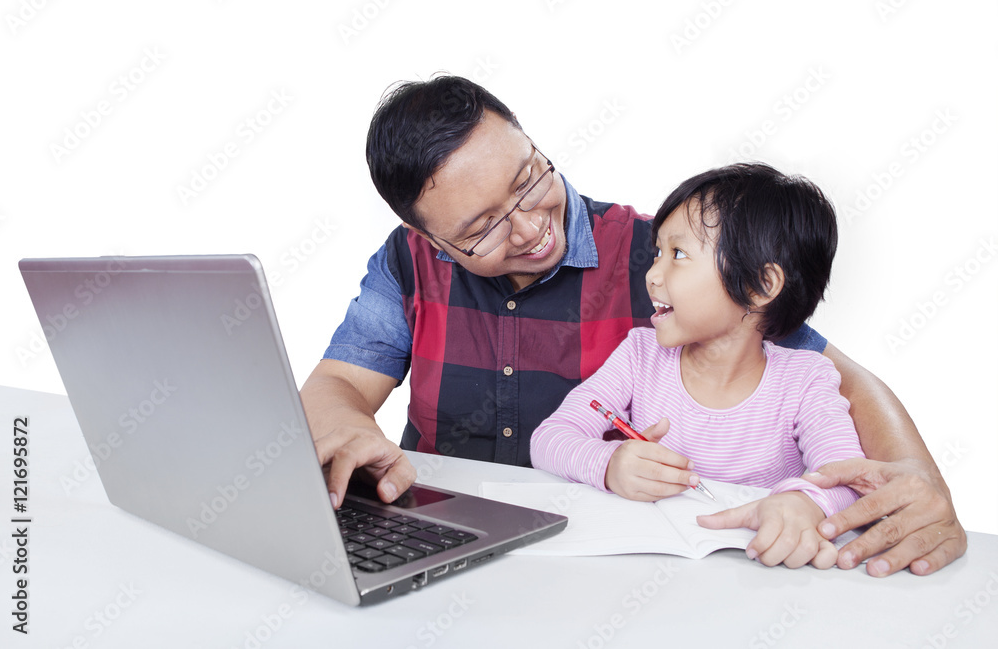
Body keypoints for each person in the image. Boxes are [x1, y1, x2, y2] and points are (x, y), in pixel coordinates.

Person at [299, 74, 966, 576]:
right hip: (441, 545)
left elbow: (834, 375)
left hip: (612, 568)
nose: (532, 227)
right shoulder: (407, 263)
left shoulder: (664, 259)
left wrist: (916, 479)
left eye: (530, 178)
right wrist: (350, 427)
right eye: (483, 228)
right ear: (430, 239)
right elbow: (335, 386)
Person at [530, 164, 866, 568]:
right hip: (648, 571)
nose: (652, 274)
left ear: (760, 286)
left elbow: (847, 477)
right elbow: (549, 438)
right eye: (657, 253)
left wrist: (802, 503)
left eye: (679, 254)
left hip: (755, 577)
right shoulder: (640, 355)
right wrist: (608, 465)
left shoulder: (805, 380)